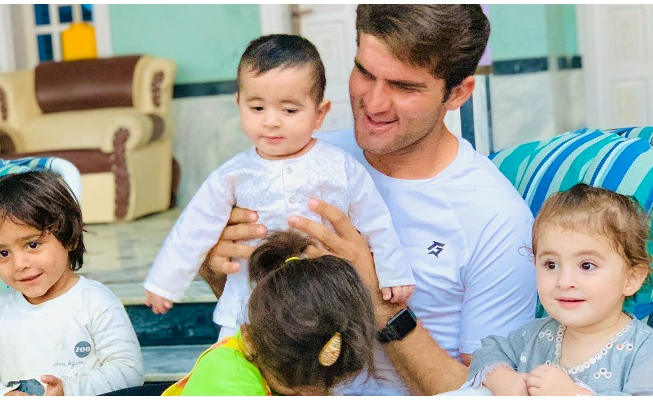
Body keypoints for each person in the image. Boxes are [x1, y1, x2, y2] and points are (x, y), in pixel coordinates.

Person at [200, 5, 537, 395]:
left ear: (458, 92)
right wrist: (218, 262)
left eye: (404, 87)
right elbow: (251, 305)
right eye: (365, 72)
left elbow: (484, 392)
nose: (374, 103)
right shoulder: (300, 159)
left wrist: (383, 307)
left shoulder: (497, 218)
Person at [143, 34, 415, 339]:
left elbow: (375, 222)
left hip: (325, 298)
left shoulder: (340, 167)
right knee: (235, 363)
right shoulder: (233, 174)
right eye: (257, 108)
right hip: (249, 302)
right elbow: (194, 227)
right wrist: (164, 283)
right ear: (239, 104)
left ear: (319, 113)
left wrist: (394, 272)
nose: (271, 121)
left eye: (289, 110)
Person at [462, 184, 653, 395]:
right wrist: (502, 378)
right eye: (551, 265)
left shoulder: (648, 352)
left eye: (586, 266)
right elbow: (488, 350)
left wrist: (572, 395)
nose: (564, 281)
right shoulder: (536, 335)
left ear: (631, 278)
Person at [0, 170, 144, 396]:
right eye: (3, 253)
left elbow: (128, 370)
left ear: (69, 237)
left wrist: (69, 390)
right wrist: (1, 394)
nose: (19, 264)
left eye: (32, 245)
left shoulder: (94, 301)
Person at [161, 230, 376, 395]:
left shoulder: (280, 355)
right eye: (293, 387)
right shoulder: (230, 386)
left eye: (332, 383)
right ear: (249, 339)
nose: (314, 395)